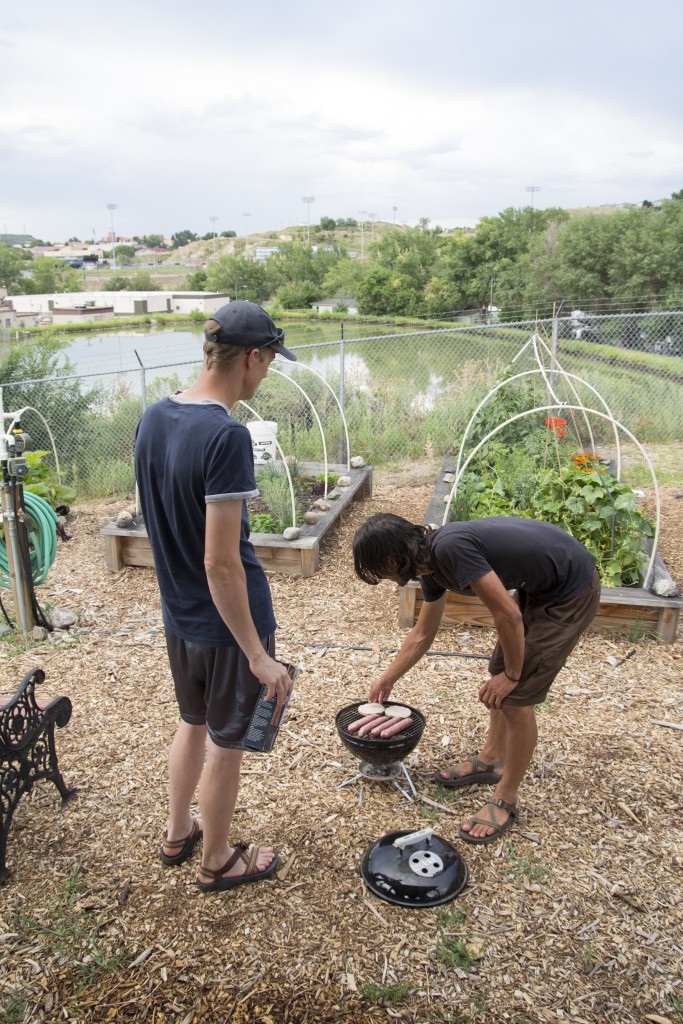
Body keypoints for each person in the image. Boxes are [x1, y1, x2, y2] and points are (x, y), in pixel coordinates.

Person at [135, 300, 296, 891]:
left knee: (192, 723)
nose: (270, 372)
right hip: (229, 627)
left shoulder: (154, 417)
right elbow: (221, 561)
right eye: (271, 359)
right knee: (227, 743)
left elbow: (163, 520)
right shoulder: (227, 435)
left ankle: (179, 833)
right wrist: (257, 652)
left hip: (179, 617)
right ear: (251, 357)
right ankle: (218, 858)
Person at [352, 513, 600, 845]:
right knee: (499, 676)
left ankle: (505, 798)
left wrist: (514, 676)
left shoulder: (449, 548)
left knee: (514, 698)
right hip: (539, 588)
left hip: (570, 590)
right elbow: (423, 633)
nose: (383, 578)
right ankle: (491, 759)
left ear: (390, 559)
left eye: (379, 570)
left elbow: (507, 614)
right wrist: (388, 678)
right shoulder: (429, 565)